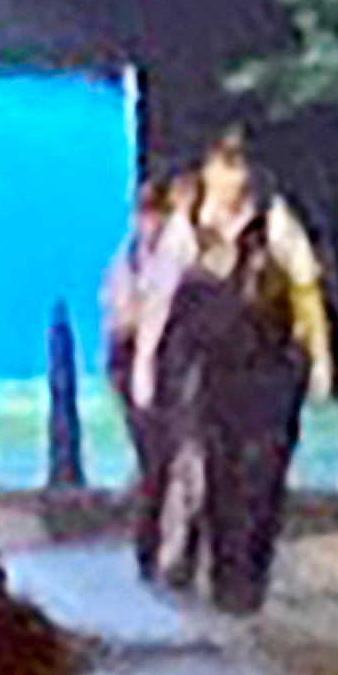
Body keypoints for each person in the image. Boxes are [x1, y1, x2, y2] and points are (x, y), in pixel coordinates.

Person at [140, 130, 332, 616]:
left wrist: (320, 355)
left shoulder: (274, 223)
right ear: (207, 173)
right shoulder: (186, 229)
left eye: (238, 168)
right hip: (209, 369)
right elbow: (159, 299)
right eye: (223, 168)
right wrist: (146, 362)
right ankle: (228, 576)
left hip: (268, 366)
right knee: (219, 471)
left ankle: (252, 572)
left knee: (264, 474)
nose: (231, 179)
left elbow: (305, 288)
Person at [102, 178, 187, 584]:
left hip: (164, 360)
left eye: (157, 215)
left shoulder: (168, 259)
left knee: (166, 459)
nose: (150, 223)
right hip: (130, 357)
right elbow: (119, 314)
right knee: (155, 458)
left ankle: (157, 547)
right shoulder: (128, 260)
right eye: (145, 215)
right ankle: (148, 548)